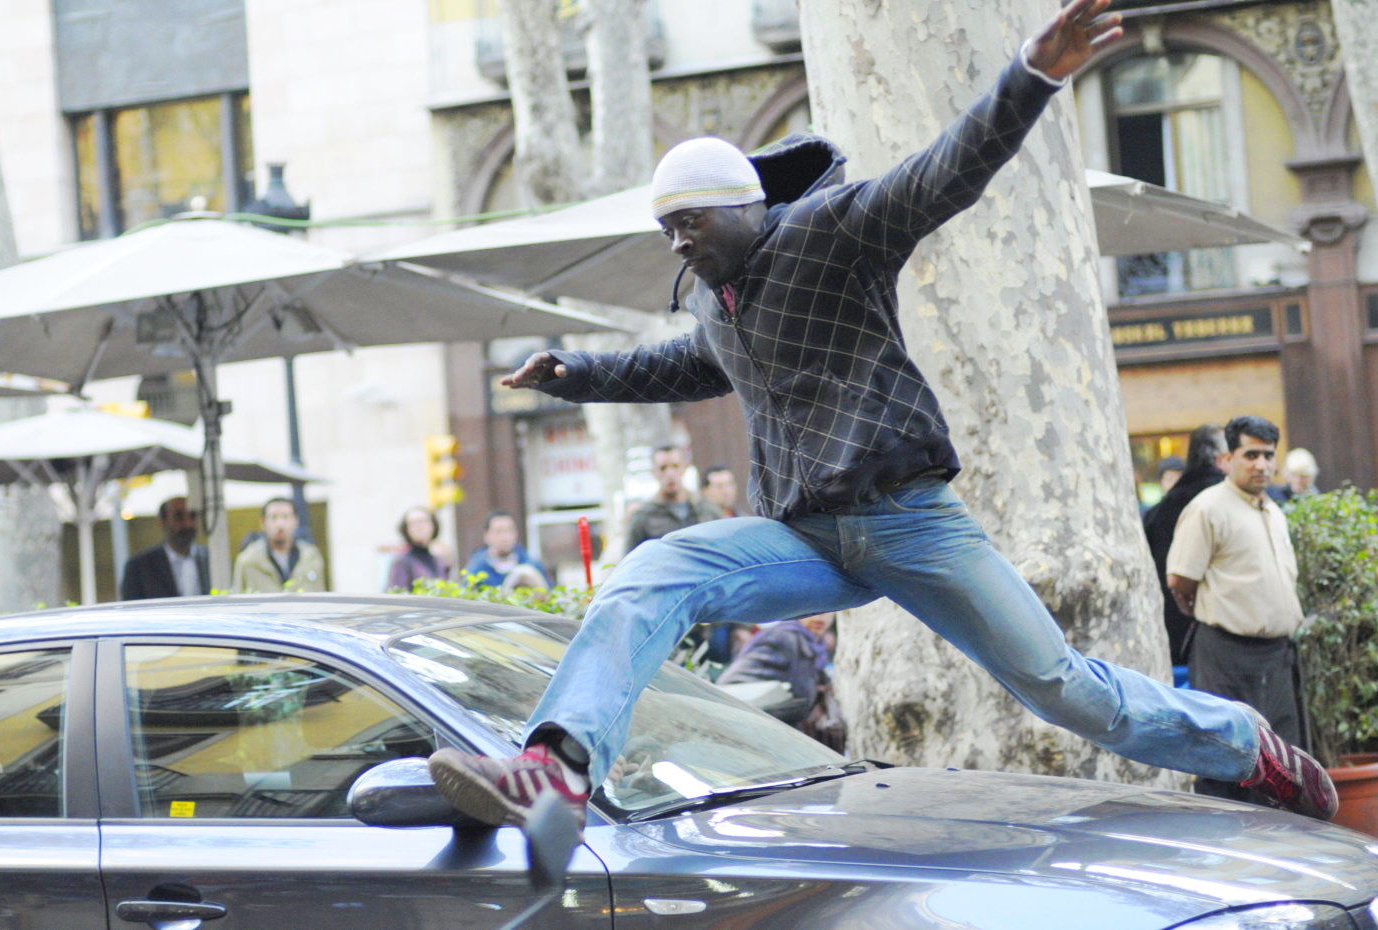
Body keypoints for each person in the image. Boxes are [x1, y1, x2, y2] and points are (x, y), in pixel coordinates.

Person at [428, 0, 1337, 829]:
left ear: (740, 207)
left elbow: (945, 173)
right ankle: (556, 770)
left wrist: (1033, 75)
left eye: (689, 226)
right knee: (657, 569)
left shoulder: (834, 232)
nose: (677, 246)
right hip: (807, 542)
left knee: (1064, 691)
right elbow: (678, 364)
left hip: (911, 527)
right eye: (667, 232)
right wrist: (573, 376)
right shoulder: (714, 306)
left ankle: (1244, 747)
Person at [1166, 416, 1312, 805]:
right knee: (1226, 757)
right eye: (1251, 455)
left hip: (1277, 656)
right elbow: (1181, 582)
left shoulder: (1274, 511)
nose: (1261, 464)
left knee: (1283, 764)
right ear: (1228, 459)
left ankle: (1283, 852)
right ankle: (1225, 855)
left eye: (1268, 455)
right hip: (1225, 653)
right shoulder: (1207, 508)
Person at [1142, 425, 1227, 666]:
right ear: (1220, 457)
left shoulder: (1162, 508)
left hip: (1171, 623)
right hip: (1222, 626)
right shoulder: (1225, 499)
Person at [716, 613, 832, 725]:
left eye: (829, 611)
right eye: (815, 609)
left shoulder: (816, 645)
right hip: (755, 724)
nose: (820, 617)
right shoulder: (783, 637)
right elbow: (735, 684)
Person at [624, 445, 722, 553]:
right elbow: (631, 562)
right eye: (663, 468)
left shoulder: (706, 509)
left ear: (684, 468)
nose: (670, 474)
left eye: (675, 466)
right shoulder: (643, 517)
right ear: (654, 472)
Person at [120, 496, 209, 600]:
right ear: (162, 522)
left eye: (192, 516)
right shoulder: (139, 567)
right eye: (179, 517)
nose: (187, 524)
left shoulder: (211, 560)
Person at [232, 497, 327, 593]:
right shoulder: (248, 561)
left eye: (285, 517)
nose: (280, 524)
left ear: (296, 521)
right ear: (263, 522)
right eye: (274, 517)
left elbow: (320, 596)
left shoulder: (311, 557)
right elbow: (238, 599)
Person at [462, 511, 550, 589]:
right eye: (498, 531)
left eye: (509, 530)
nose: (505, 537)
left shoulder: (530, 563)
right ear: (487, 536)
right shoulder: (476, 569)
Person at [386, 506, 453, 591]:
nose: (419, 527)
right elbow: (396, 598)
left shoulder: (440, 561)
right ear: (406, 529)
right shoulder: (401, 562)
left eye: (423, 521)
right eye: (413, 523)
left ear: (433, 525)